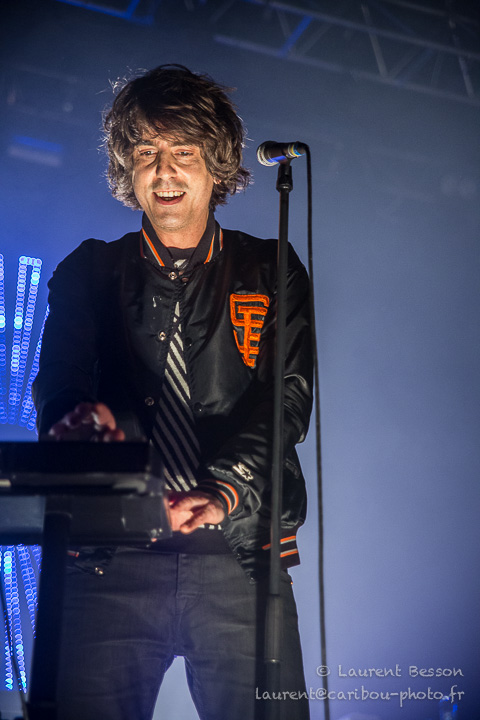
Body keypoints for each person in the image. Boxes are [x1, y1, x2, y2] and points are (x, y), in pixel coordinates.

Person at [33, 64, 313, 720]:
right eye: (145, 152)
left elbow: (288, 401)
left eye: (183, 151)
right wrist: (78, 420)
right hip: (108, 557)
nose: (163, 170)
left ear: (216, 165)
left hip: (240, 552)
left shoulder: (270, 269)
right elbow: (58, 382)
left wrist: (223, 490)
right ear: (126, 169)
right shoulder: (90, 271)